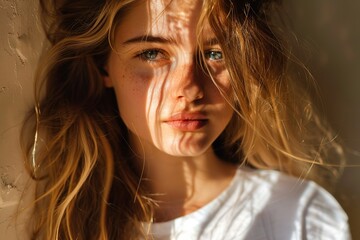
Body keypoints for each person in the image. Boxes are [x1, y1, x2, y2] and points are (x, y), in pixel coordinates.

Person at [21, 0, 350, 239]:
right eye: (152, 53)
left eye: (216, 53)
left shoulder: (300, 214)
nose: (191, 88)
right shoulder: (67, 223)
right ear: (101, 65)